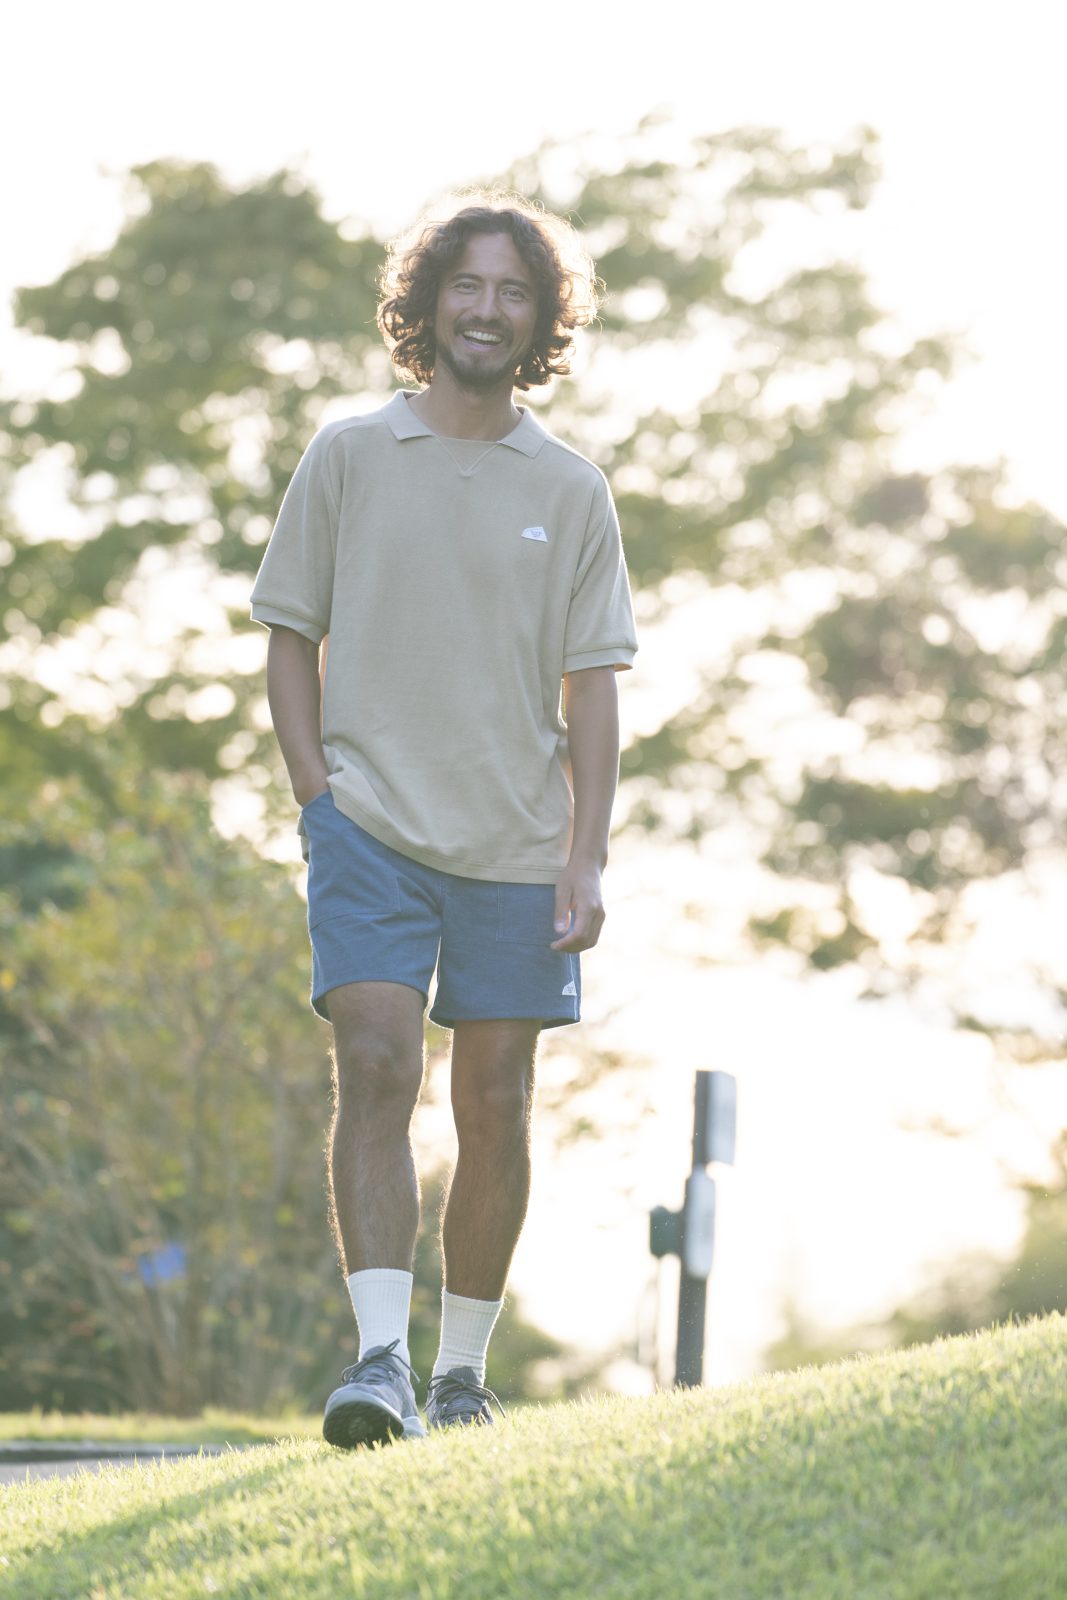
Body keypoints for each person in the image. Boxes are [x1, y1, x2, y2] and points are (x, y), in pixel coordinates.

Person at [249, 192, 639, 1448]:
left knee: (497, 1101)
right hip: (366, 826)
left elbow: (593, 687)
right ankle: (379, 1363)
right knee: (373, 1059)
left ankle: (461, 1375)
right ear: (426, 303)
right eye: (464, 284)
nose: (485, 308)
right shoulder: (349, 454)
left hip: (516, 846)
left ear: (539, 320)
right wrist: (315, 794)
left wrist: (585, 855)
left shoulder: (569, 490)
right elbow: (288, 634)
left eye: (512, 290)